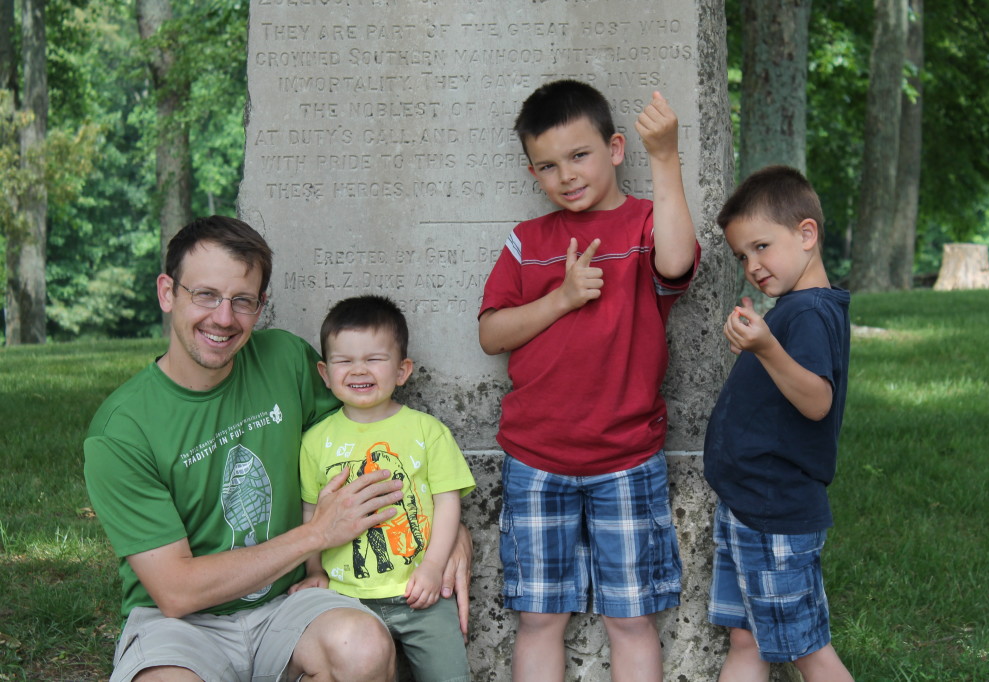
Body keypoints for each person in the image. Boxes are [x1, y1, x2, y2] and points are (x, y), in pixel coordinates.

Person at [84, 216, 472, 682]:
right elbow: (177, 591)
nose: (223, 318)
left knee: (362, 648)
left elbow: (374, 431)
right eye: (204, 295)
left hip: (290, 604)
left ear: (260, 306)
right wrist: (315, 535)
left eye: (242, 301)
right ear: (168, 292)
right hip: (181, 625)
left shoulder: (284, 359)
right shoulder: (121, 430)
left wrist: (448, 537)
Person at [477, 79, 701, 682]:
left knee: (630, 619)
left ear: (616, 149)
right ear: (533, 173)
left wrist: (666, 157)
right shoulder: (529, 242)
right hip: (536, 457)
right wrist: (563, 298)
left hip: (625, 458)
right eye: (548, 166)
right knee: (539, 618)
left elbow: (678, 262)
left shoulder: (644, 225)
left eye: (580, 156)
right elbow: (493, 334)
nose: (567, 176)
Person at [703, 166, 854, 682]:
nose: (752, 264)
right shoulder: (793, 309)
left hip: (775, 512)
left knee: (809, 651)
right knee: (747, 640)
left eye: (762, 246)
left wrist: (767, 347)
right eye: (742, 255)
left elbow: (817, 400)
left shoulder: (809, 311)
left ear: (806, 234)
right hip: (750, 505)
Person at [290, 295, 476, 682]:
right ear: (325, 374)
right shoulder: (315, 441)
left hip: (420, 594)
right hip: (345, 598)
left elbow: (447, 506)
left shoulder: (427, 432)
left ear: (402, 370)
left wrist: (432, 567)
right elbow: (311, 512)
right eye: (344, 360)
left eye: (374, 359)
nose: (359, 370)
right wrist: (313, 569)